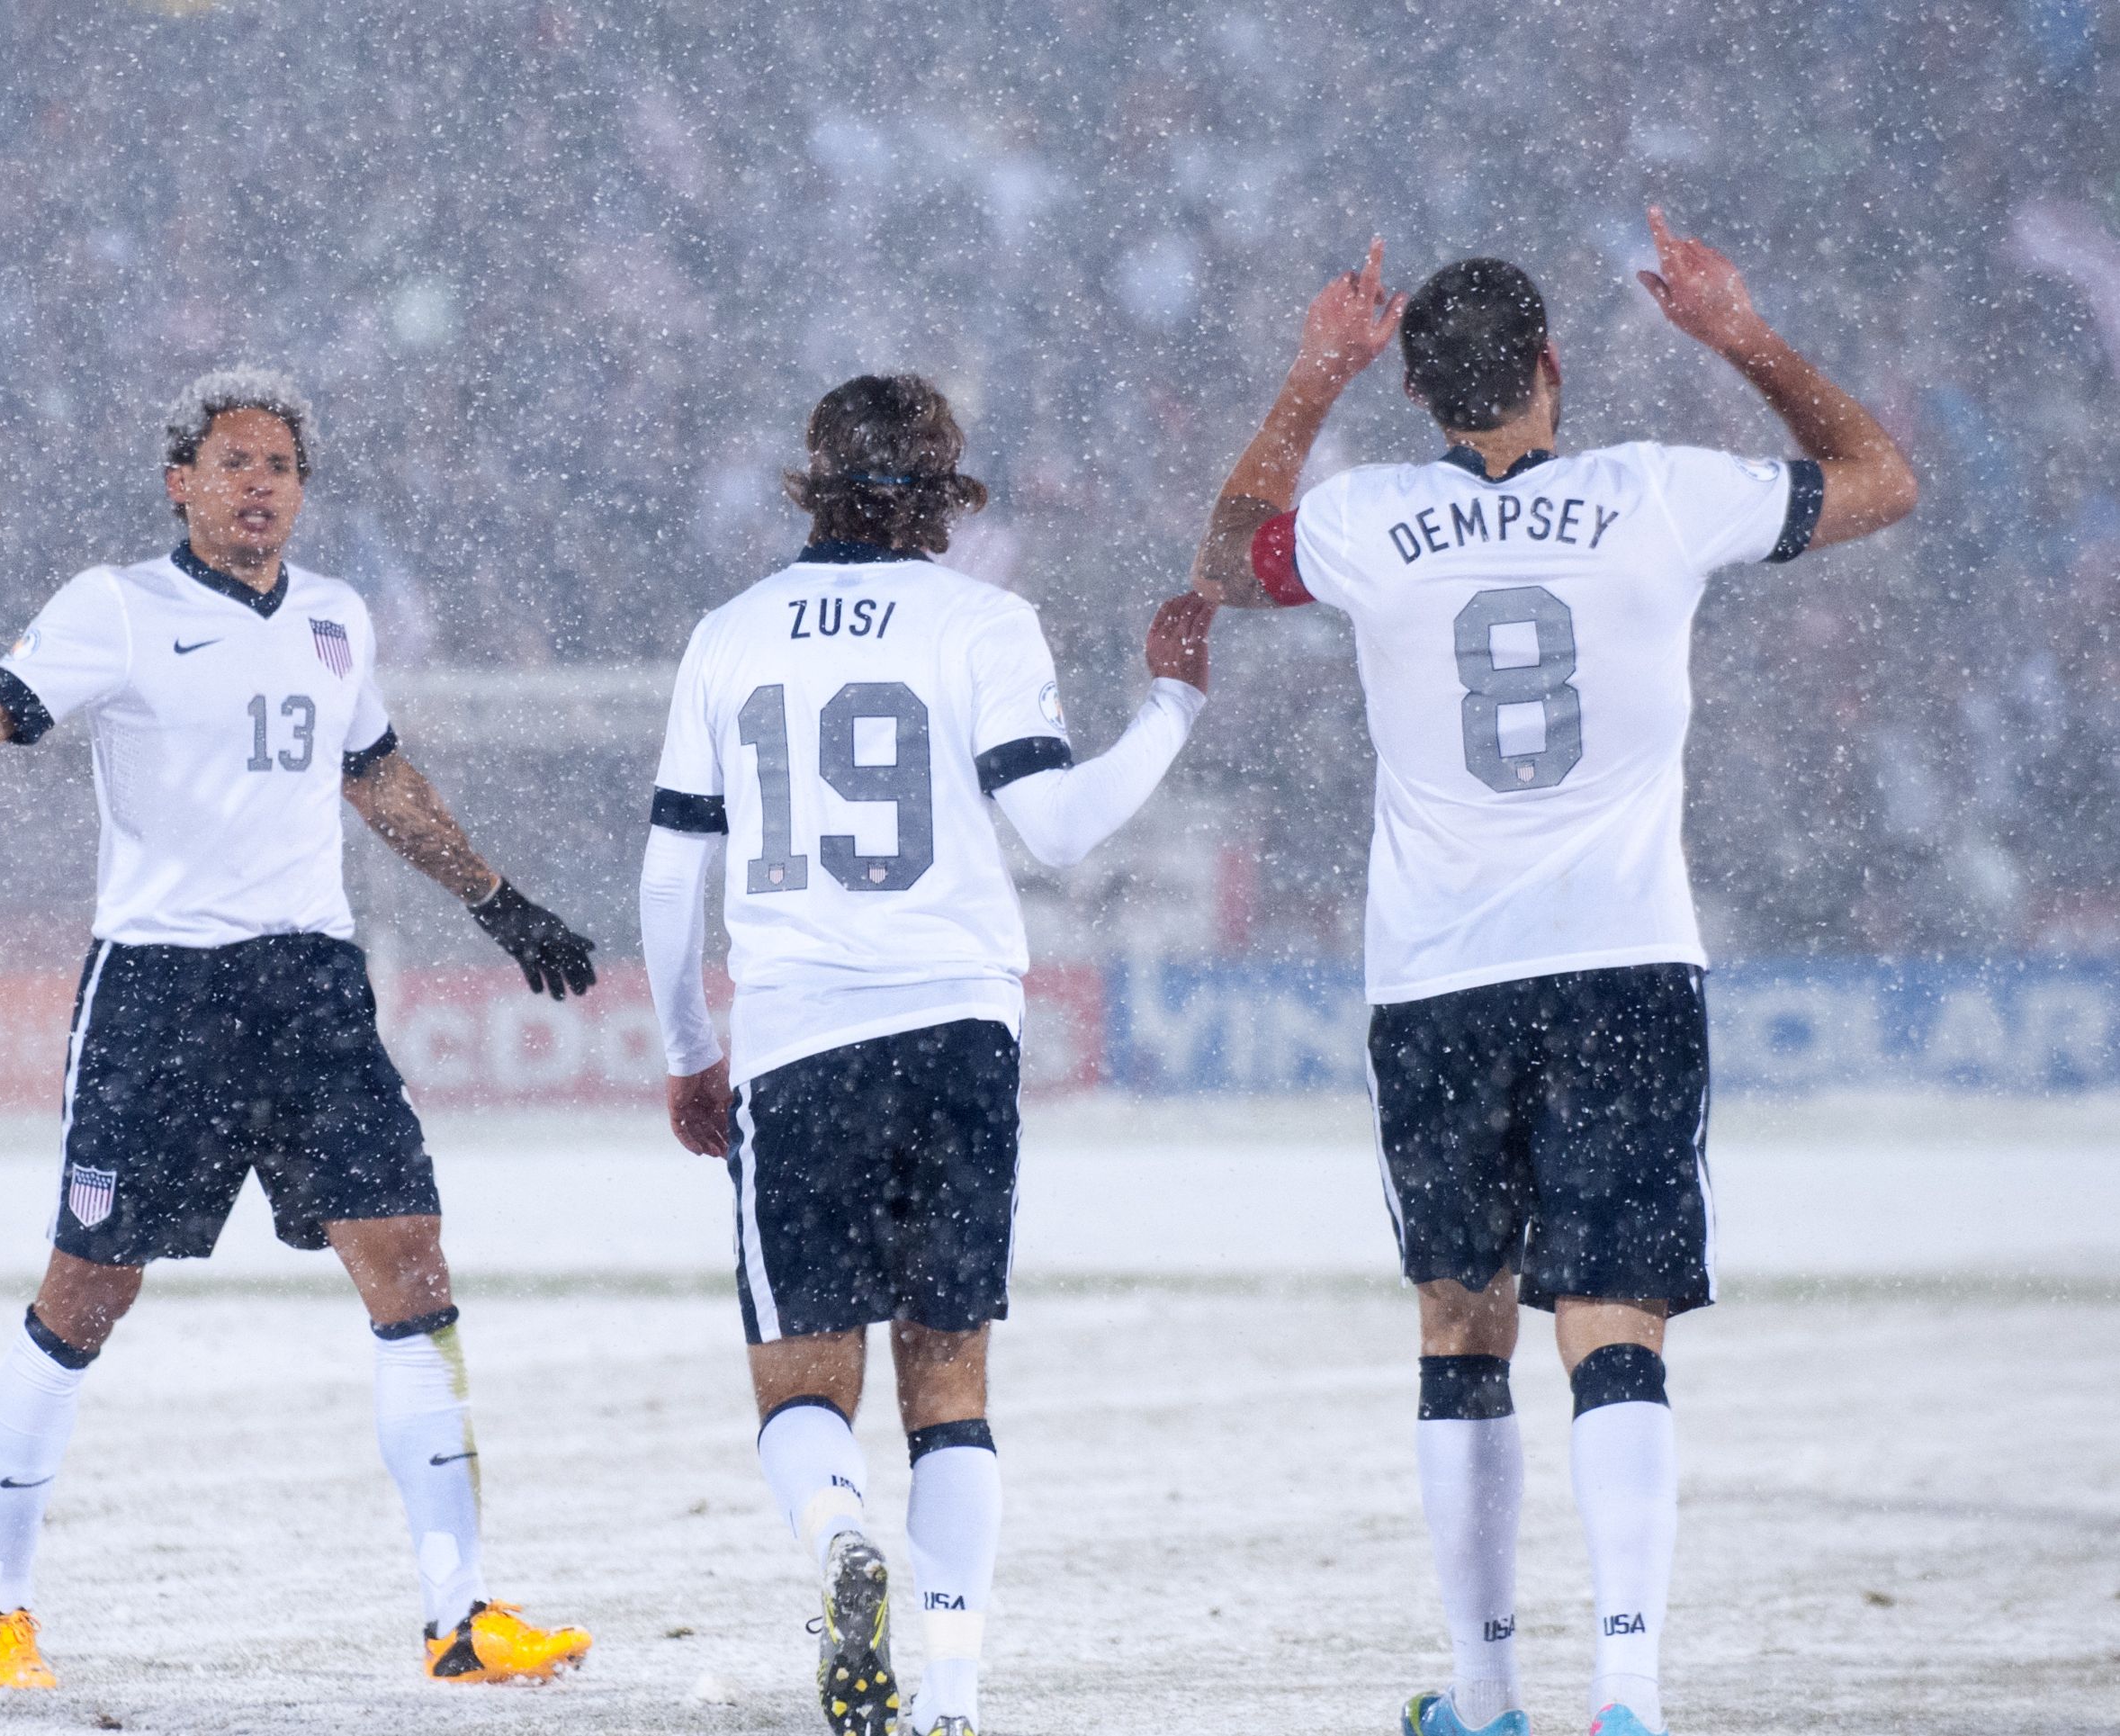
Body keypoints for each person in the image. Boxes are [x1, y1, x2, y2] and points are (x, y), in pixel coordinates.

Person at [1186, 218, 1918, 1736]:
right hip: (1622, 963)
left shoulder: (1371, 521)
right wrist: (1739, 334)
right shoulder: (1655, 492)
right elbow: (1882, 480)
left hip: (1441, 977)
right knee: (1616, 1320)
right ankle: (1630, 1698)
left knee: (1463, 1322)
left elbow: (1225, 547)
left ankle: (1485, 1695)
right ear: (1550, 366)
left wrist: (1312, 368)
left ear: (1414, 392)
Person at [0, 367, 601, 1691]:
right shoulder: (119, 607)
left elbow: (374, 775)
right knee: (86, 1290)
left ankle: (460, 1609)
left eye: (280, 466)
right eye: (234, 462)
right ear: (179, 482)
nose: (260, 485)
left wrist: (497, 898)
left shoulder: (334, 618)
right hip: (162, 991)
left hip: (311, 985)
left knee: (410, 1261)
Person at [640, 373, 1216, 1736]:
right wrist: (1173, 709)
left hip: (798, 1035)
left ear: (810, 478)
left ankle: (840, 1535)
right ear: (944, 489)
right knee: (948, 1378)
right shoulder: (985, 622)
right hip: (957, 1023)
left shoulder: (728, 635)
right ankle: (948, 1694)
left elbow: (675, 875)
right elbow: (1062, 830)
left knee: (800, 1377)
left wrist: (686, 1049)